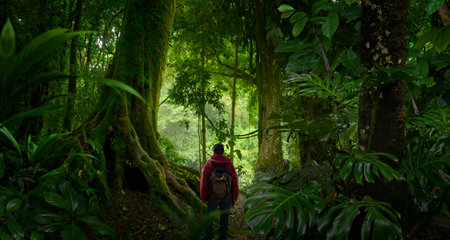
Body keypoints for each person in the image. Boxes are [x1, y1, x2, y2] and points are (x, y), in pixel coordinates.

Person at [200, 143, 239, 240]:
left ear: (213, 151)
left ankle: (208, 237)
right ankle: (222, 237)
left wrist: (203, 197)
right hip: (227, 197)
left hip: (212, 197)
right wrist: (234, 196)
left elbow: (203, 182)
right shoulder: (229, 164)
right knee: (224, 219)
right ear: (223, 152)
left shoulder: (208, 164)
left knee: (209, 218)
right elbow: (234, 181)